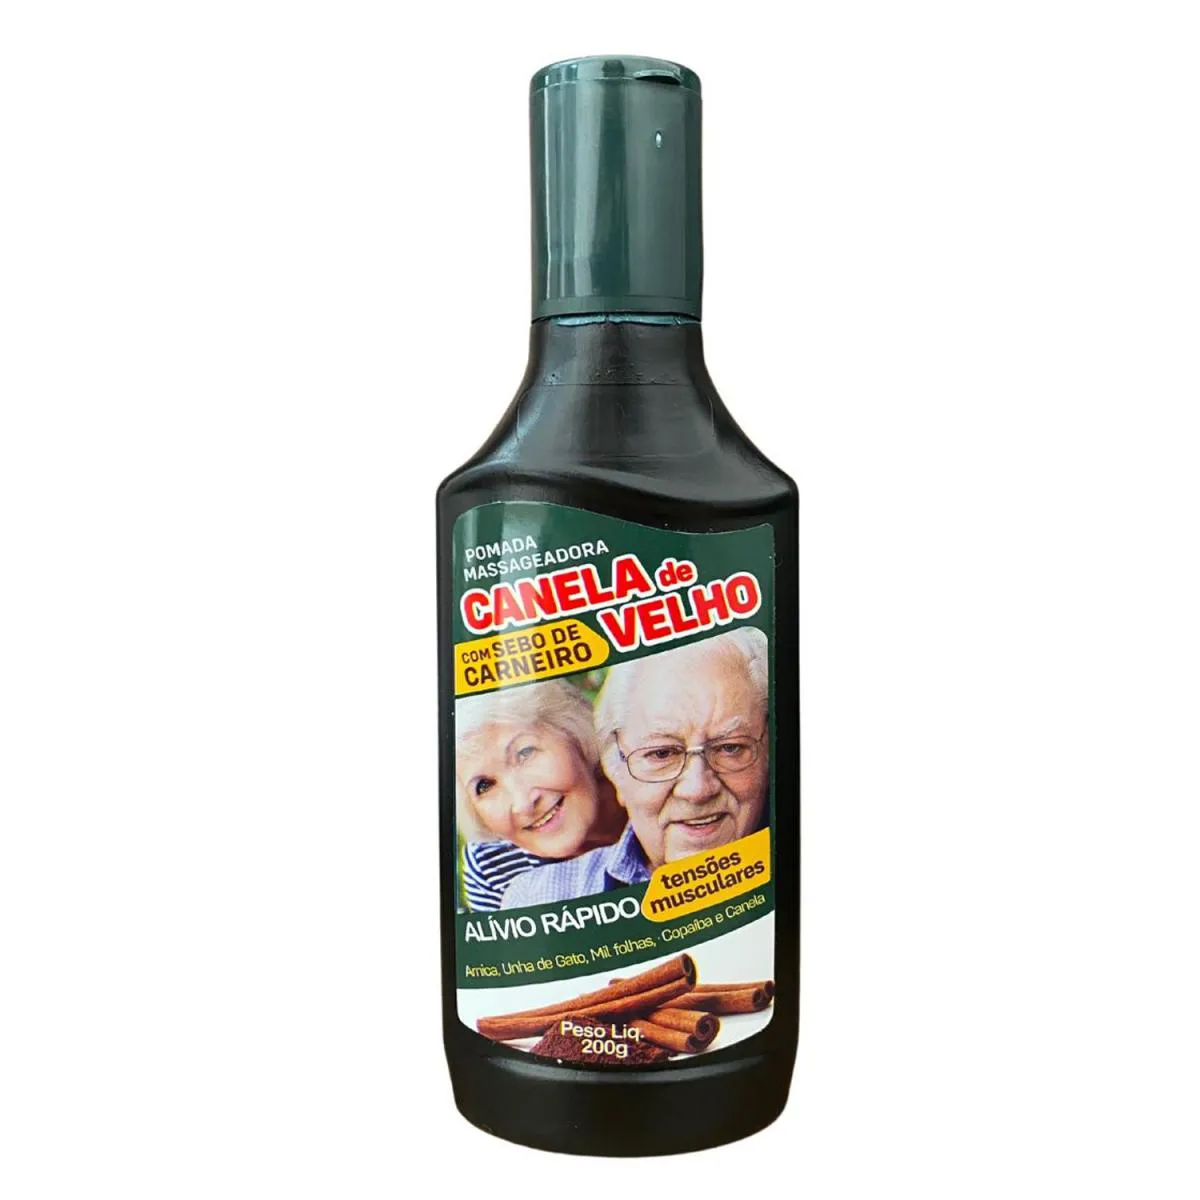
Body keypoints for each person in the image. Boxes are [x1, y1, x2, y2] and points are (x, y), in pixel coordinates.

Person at [501, 627, 769, 907]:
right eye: (662, 754)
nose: (697, 789)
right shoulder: (541, 900)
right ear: (615, 770)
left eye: (730, 748)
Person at [455, 679, 625, 910]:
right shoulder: (492, 866)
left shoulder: (650, 784)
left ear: (573, 734)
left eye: (525, 753)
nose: (523, 803)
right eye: (484, 786)